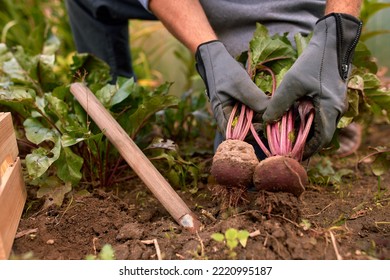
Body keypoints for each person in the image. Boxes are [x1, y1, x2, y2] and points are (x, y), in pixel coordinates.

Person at [65, 0, 363, 160]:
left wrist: (334, 38)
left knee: (263, 157)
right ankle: (116, 127)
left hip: (275, 7)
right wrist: (206, 49)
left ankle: (328, 119)